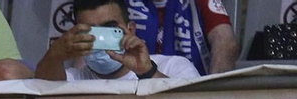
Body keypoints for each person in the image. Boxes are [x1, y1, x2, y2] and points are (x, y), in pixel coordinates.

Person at [38, 0, 203, 79]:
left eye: (110, 28)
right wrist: (55, 54)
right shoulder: (73, 79)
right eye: (90, 31)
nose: (100, 38)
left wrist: (148, 72)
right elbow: (41, 92)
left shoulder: (174, 68)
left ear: (130, 29)